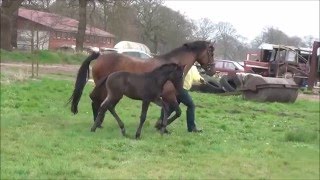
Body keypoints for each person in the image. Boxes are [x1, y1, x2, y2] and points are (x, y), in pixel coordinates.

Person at [155, 64, 205, 133]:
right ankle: (191, 128)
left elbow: (196, 77)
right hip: (181, 89)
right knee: (191, 105)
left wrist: (201, 79)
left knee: (171, 107)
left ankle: (160, 122)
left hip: (177, 89)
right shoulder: (186, 66)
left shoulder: (191, 67)